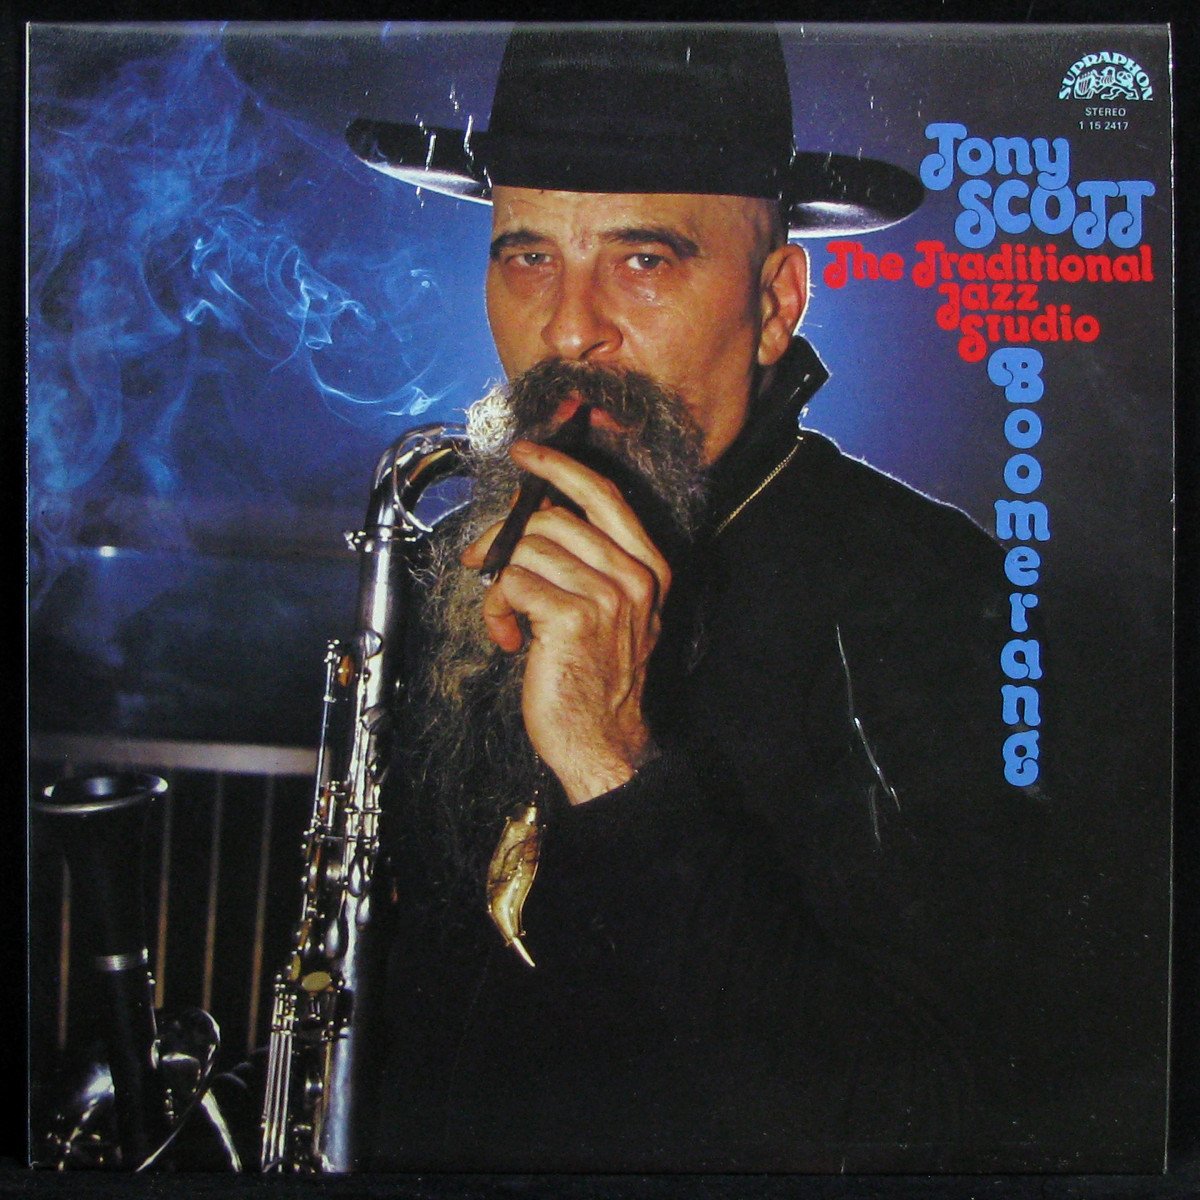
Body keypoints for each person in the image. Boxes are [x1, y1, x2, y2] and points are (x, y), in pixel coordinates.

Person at [340, 25, 1055, 1172]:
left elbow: (939, 1127)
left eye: (644, 260)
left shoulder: (941, 597)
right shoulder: (443, 572)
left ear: (774, 302)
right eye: (527, 257)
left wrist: (615, 770)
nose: (568, 329)